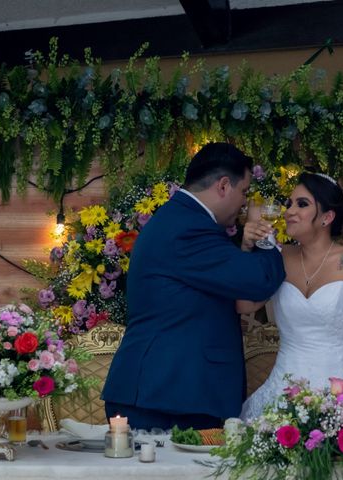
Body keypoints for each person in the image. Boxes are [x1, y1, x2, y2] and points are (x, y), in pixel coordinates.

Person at [102, 142, 286, 430]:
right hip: (167, 397)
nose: (244, 203)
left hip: (171, 394)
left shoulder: (181, 220)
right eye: (244, 192)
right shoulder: (189, 229)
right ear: (224, 186)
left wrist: (247, 246)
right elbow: (256, 281)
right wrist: (265, 236)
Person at [238, 171, 343, 419]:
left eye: (302, 204)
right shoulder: (278, 257)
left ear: (327, 217)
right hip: (283, 394)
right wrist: (246, 250)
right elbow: (244, 305)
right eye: (289, 204)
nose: (289, 211)